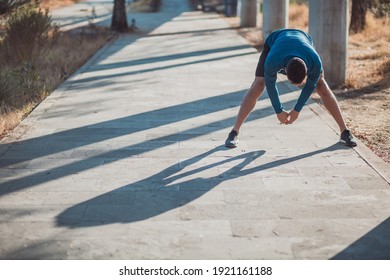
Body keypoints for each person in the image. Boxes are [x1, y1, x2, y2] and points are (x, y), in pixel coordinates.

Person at [225, 28, 357, 148]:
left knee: (321, 86)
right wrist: (278, 110)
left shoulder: (314, 62)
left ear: (307, 72)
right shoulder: (272, 61)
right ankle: (234, 132)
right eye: (293, 83)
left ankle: (345, 132)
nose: (297, 86)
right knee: (259, 84)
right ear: (285, 71)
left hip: (304, 40)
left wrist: (296, 110)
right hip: (275, 41)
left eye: (300, 83)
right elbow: (271, 85)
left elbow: (310, 86)